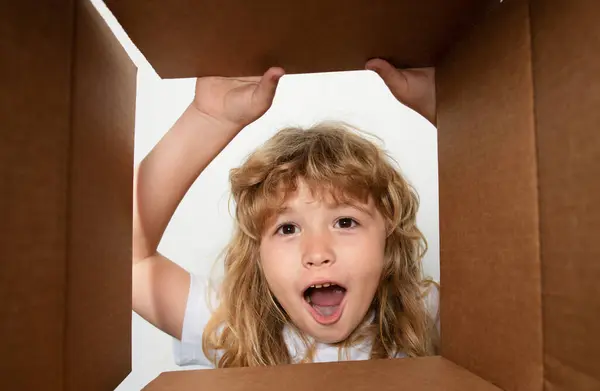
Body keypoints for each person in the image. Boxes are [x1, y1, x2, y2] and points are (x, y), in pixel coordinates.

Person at [132, 58, 438, 367]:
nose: (318, 253)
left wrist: (453, 104)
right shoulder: (232, 327)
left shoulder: (425, 318)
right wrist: (209, 118)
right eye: (288, 228)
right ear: (257, 253)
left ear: (388, 234)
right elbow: (122, 262)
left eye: (345, 222)